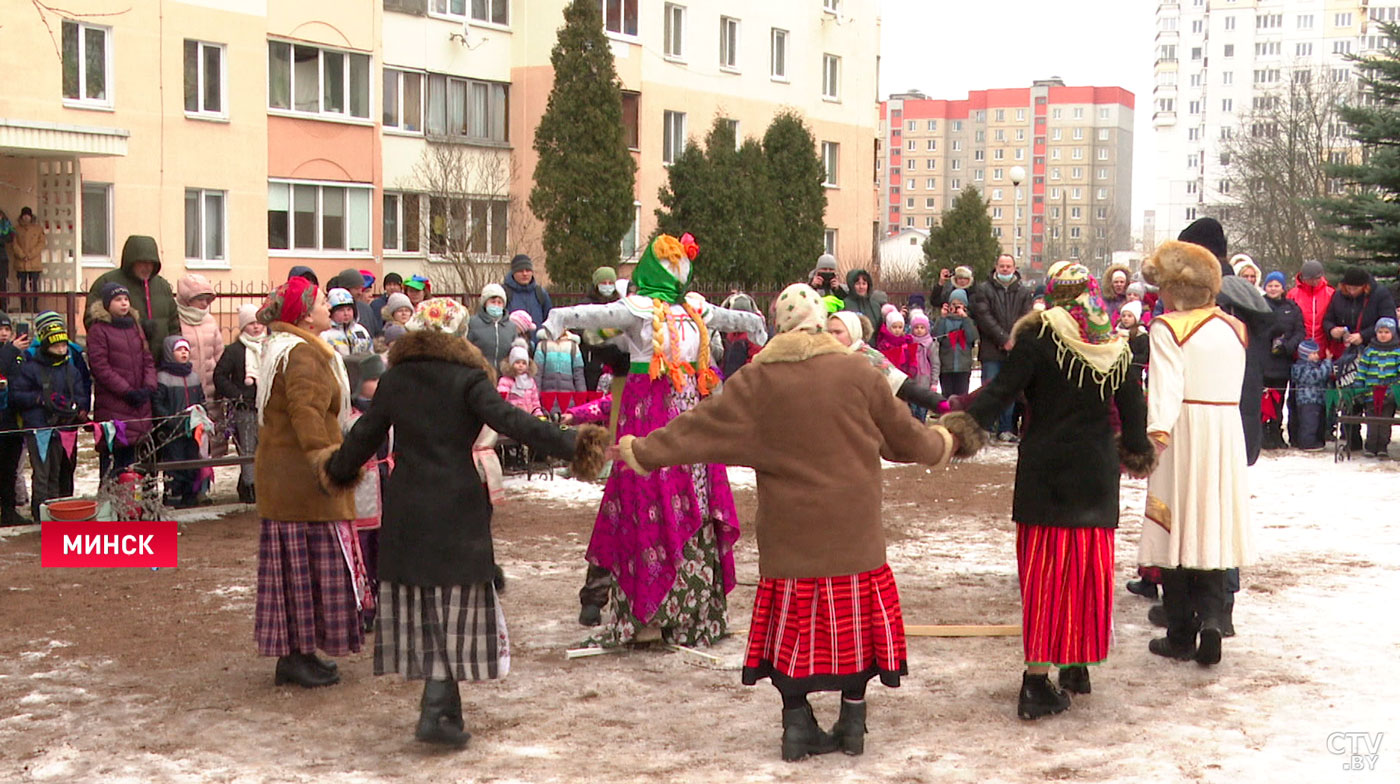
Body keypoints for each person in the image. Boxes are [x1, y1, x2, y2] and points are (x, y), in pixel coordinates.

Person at [612, 283, 967, 761]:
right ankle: (854, 720)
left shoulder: (756, 381)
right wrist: (943, 442)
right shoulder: (857, 371)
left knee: (795, 630)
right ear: (820, 323)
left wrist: (641, 450)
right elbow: (904, 437)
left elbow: (697, 428)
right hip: (854, 531)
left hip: (789, 537)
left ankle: (797, 725)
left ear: (778, 325)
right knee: (855, 628)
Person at [323, 297, 605, 749]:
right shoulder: (469, 379)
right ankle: (437, 710)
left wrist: (337, 470)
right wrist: (574, 444)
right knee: (454, 607)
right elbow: (515, 421)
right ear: (459, 337)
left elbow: (365, 434)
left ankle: (443, 710)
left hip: (409, 504)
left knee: (426, 605)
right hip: (457, 505)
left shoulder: (395, 379)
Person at [947, 261, 1154, 719]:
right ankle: (1078, 665)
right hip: (1095, 475)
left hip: (1044, 473)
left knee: (1044, 579)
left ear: (1053, 295)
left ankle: (1035, 681)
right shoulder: (1112, 344)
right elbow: (1134, 409)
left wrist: (962, 428)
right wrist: (1136, 450)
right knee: (1086, 574)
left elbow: (999, 392)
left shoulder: (1037, 341)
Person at [539, 233, 766, 648]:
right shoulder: (637, 309)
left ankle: (693, 614)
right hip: (650, 418)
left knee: (694, 507)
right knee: (647, 502)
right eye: (671, 263)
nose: (678, 269)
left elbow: (730, 318)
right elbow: (594, 315)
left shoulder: (693, 307)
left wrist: (755, 325)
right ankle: (644, 612)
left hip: (694, 420)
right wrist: (559, 320)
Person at [1136, 240, 1253, 667]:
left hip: (1184, 428)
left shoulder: (1168, 327)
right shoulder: (1235, 328)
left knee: (1176, 524)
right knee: (1213, 523)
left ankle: (1181, 631)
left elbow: (1166, 390)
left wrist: (1155, 438)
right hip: (1224, 429)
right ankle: (1215, 619)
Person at [252, 277, 364, 689]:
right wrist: (327, 462)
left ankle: (299, 654)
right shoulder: (301, 354)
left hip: (287, 482)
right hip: (301, 483)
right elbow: (306, 413)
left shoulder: (289, 347)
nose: (326, 304)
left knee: (297, 573)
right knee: (304, 573)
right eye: (319, 300)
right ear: (303, 314)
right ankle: (296, 657)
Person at [11, 312, 90, 522]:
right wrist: (39, 399)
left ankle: (58, 513)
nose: (62, 349)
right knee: (42, 475)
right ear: (46, 345)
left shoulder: (70, 369)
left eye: (64, 345)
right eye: (56, 346)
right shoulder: (30, 367)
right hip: (40, 429)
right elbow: (17, 395)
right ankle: (40, 514)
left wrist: (77, 408)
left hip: (64, 428)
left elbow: (81, 392)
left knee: (57, 473)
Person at [85, 283, 157, 481]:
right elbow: (100, 367)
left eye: (126, 299)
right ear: (107, 304)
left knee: (138, 463)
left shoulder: (135, 325)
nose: (124, 303)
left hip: (140, 404)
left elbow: (147, 358)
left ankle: (138, 506)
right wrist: (127, 391)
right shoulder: (99, 330)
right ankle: (111, 504)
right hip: (115, 405)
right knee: (115, 464)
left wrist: (148, 387)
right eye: (118, 300)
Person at [342, 352, 388, 633]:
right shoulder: (350, 417)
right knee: (363, 550)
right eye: (373, 378)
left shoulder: (384, 408)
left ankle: (385, 602)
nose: (379, 382)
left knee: (383, 548)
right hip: (362, 491)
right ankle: (364, 607)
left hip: (384, 484)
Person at [85, 236, 181, 364]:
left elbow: (174, 324)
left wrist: (175, 350)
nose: (147, 267)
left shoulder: (162, 286)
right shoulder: (107, 283)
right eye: (142, 262)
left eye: (151, 263)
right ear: (131, 261)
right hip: (122, 364)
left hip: (159, 364)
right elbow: (92, 321)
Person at [827, 311, 945, 414]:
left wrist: (938, 403)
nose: (832, 337)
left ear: (853, 332)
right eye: (829, 332)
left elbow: (902, 385)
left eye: (838, 332)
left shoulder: (869, 357)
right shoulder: (822, 358)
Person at [971, 254, 1035, 442]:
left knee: (1010, 390)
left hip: (1015, 349)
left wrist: (1015, 339)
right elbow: (984, 317)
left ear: (1014, 268)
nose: (1005, 269)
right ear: (996, 267)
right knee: (989, 388)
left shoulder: (1023, 292)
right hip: (992, 348)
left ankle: (1006, 428)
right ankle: (986, 427)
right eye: (1002, 266)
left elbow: (1027, 317)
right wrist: (1003, 339)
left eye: (1008, 266)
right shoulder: (984, 290)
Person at [214, 304, 264, 504]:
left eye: (259, 322)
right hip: (245, 408)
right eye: (251, 323)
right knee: (248, 449)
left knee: (266, 448)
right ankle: (250, 487)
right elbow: (220, 376)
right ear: (243, 326)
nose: (256, 327)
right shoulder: (235, 350)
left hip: (266, 407)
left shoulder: (268, 346)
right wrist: (237, 395)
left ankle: (259, 484)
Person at [152, 336, 208, 509]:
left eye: (186, 349)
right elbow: (157, 402)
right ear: (170, 353)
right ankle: (173, 496)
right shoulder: (162, 377)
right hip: (171, 430)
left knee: (192, 462)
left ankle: (190, 495)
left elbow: (201, 399)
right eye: (179, 349)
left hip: (191, 428)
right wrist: (169, 419)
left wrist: (200, 416)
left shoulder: (194, 377)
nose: (184, 352)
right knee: (174, 463)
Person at [1262, 271, 1304, 450]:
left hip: (1283, 361)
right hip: (1264, 360)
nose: (1273, 288)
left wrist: (1288, 346)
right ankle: (1263, 432)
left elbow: (1299, 331)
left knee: (1279, 398)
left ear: (1282, 288)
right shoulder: (1259, 305)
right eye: (1270, 285)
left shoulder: (1292, 307)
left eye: (1276, 285)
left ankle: (1277, 430)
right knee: (1264, 399)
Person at [1355, 317, 1400, 457]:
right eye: (1380, 331)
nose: (1383, 334)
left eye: (1387, 332)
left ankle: (1382, 446)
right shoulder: (1370, 351)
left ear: (1392, 333)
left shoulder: (1397, 352)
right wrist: (1359, 389)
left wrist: (1396, 389)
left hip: (1388, 394)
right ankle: (1370, 446)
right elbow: (1362, 370)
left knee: (1385, 422)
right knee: (1372, 422)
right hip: (1371, 394)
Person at [578, 268, 629, 391]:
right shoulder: (586, 304)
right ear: (596, 284)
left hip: (618, 358)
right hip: (594, 358)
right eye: (603, 283)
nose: (607, 286)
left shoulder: (621, 304)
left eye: (610, 283)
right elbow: (578, 328)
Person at [175, 273, 223, 400]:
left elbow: (219, 353)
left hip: (211, 385)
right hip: (185, 386)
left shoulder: (210, 320)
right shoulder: (175, 320)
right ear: (187, 299)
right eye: (200, 299)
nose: (205, 303)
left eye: (207, 299)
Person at [0, 313, 28, 525]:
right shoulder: (10, 351)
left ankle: (9, 511)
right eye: (0, 329)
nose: (4, 334)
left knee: (10, 469)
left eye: (7, 329)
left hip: (12, 419)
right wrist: (11, 350)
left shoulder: (17, 353)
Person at [931, 289, 978, 397]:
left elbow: (972, 337)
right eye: (954, 304)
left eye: (959, 305)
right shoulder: (944, 320)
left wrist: (965, 318)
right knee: (947, 396)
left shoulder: (968, 321)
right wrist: (942, 317)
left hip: (963, 367)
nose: (956, 308)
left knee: (962, 397)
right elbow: (937, 336)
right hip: (946, 367)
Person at [1290, 340, 1331, 451]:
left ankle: (1316, 440)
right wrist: (1327, 363)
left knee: (1316, 422)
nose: (1317, 356)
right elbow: (1318, 376)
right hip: (1308, 399)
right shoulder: (1302, 367)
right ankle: (1307, 442)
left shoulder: (1311, 366)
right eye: (1314, 353)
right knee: (1309, 423)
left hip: (1316, 399)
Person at [533, 320, 585, 397]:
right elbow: (537, 373)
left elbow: (579, 374)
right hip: (547, 395)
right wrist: (535, 395)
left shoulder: (573, 346)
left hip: (568, 397)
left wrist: (582, 396)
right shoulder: (543, 345)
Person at [8, 207, 45, 313]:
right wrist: (22, 255)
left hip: (34, 263)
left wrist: (30, 255)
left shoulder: (38, 229)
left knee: (34, 286)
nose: (26, 217)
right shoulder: (16, 229)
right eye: (24, 215)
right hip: (21, 263)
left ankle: (34, 306)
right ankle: (23, 307)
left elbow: (41, 243)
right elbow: (14, 244)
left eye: (28, 215)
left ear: (31, 216)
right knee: (22, 285)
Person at [327, 268, 381, 337]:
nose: (360, 292)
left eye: (361, 288)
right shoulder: (330, 309)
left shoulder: (366, 309)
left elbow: (376, 335)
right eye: (356, 288)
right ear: (345, 288)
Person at [503, 254, 553, 329]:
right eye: (520, 271)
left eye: (528, 270)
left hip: (537, 339)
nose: (525, 274)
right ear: (513, 272)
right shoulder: (504, 293)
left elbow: (549, 321)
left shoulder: (540, 293)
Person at [321, 288, 374, 356]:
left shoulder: (361, 330)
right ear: (331, 312)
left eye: (349, 309)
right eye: (341, 310)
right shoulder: (325, 333)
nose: (346, 313)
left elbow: (370, 352)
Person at [497, 344, 541, 415]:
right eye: (517, 362)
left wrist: (538, 414)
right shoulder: (506, 380)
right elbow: (502, 399)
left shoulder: (530, 381)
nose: (521, 365)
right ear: (511, 363)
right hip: (512, 416)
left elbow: (535, 402)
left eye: (524, 363)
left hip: (528, 417)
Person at [0, 211, 12, 312]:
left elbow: (10, 238)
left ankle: (3, 308)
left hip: (2, 259)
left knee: (2, 283)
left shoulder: (6, 226)